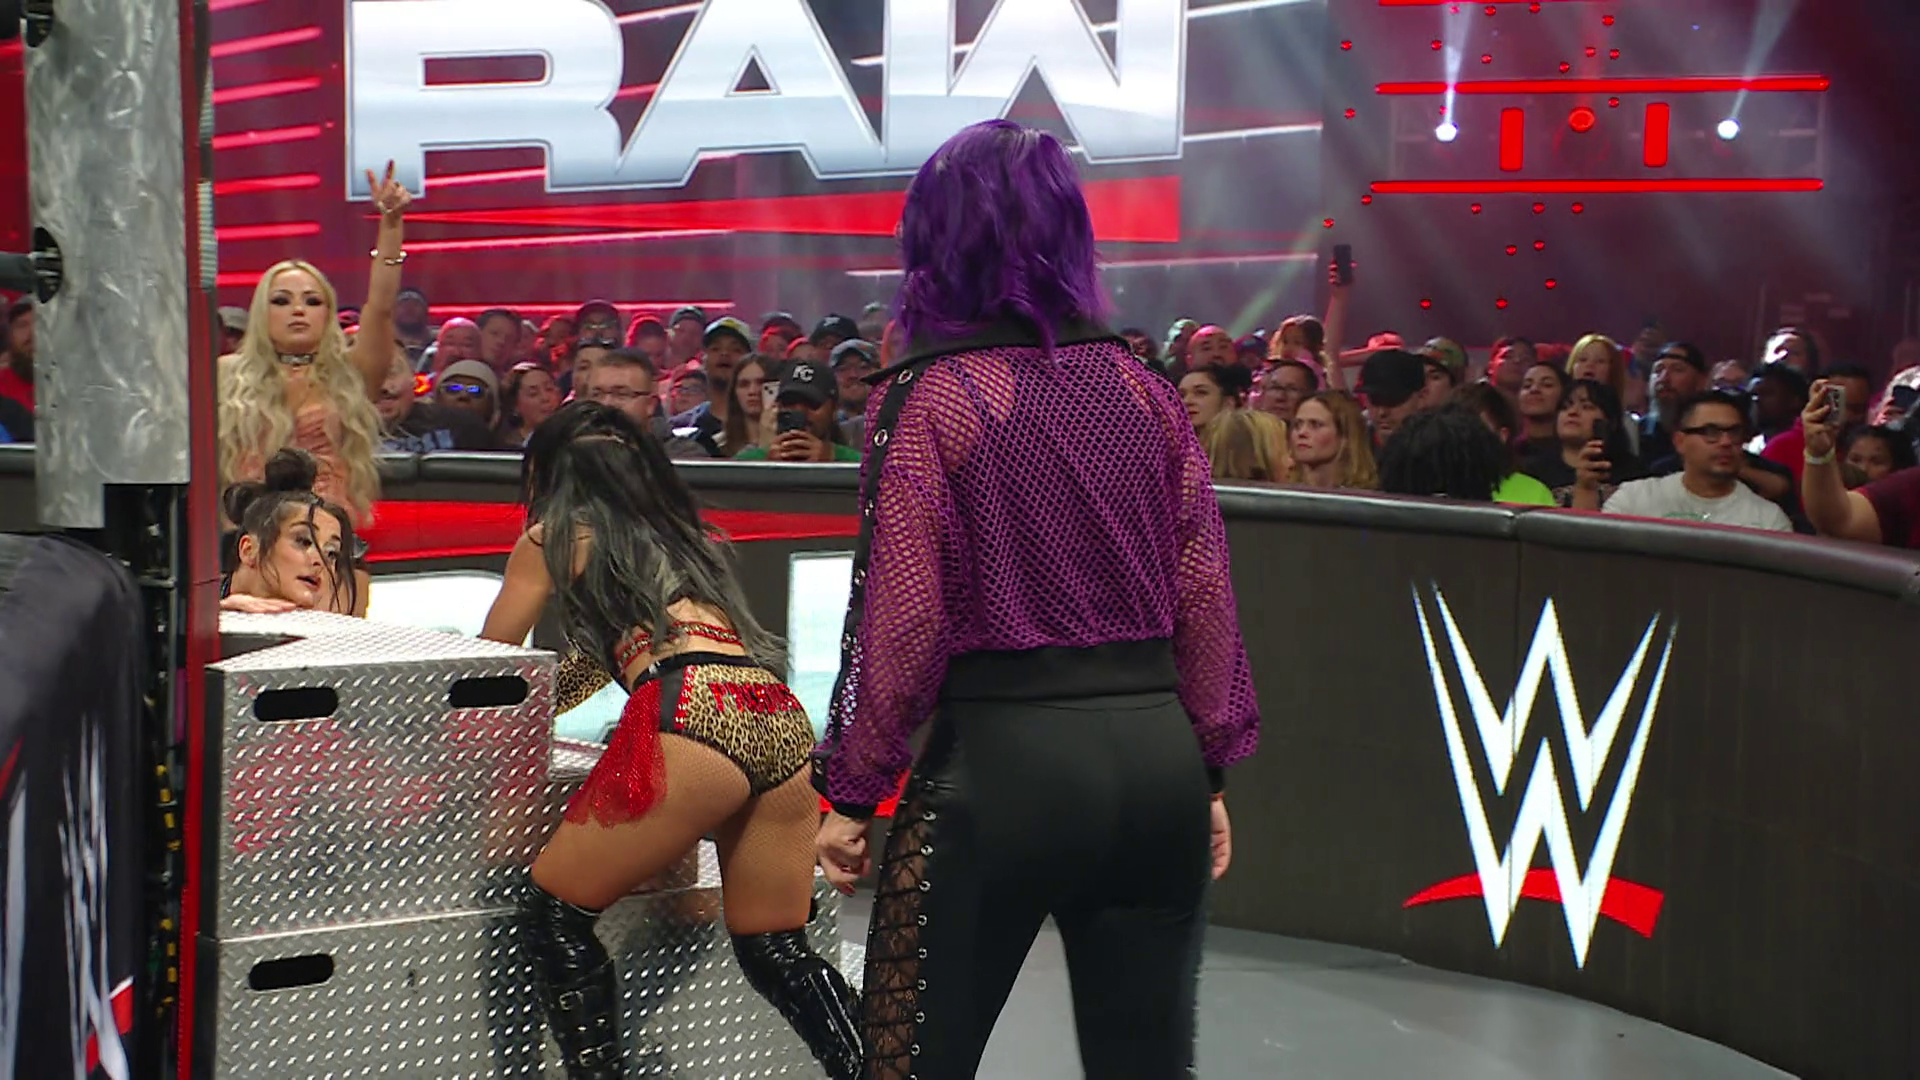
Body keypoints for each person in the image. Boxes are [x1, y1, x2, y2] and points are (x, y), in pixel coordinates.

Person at [810, 119, 1255, 1079]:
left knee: (905, 1065)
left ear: (935, 240)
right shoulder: (1147, 391)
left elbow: (904, 620)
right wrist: (1207, 771)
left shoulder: (935, 396)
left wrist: (851, 789)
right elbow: (1205, 594)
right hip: (1157, 768)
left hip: (1003, 768)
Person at [482, 403, 859, 1079]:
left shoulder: (552, 536)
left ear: (546, 473)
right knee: (776, 948)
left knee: (552, 914)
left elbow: (493, 665)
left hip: (691, 711)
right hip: (774, 714)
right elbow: (613, 659)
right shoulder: (683, 540)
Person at [218, 163, 413, 526]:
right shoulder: (226, 374)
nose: (298, 310)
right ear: (261, 313)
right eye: (281, 300)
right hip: (247, 534)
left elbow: (381, 308)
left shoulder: (350, 373)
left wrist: (391, 226)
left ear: (328, 313)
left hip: (326, 533)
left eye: (312, 301)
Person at [219, 448, 363, 616]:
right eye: (303, 541)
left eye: (331, 553)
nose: (320, 562)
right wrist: (215, 612)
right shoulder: (196, 604)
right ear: (249, 550)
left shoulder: (325, 623)